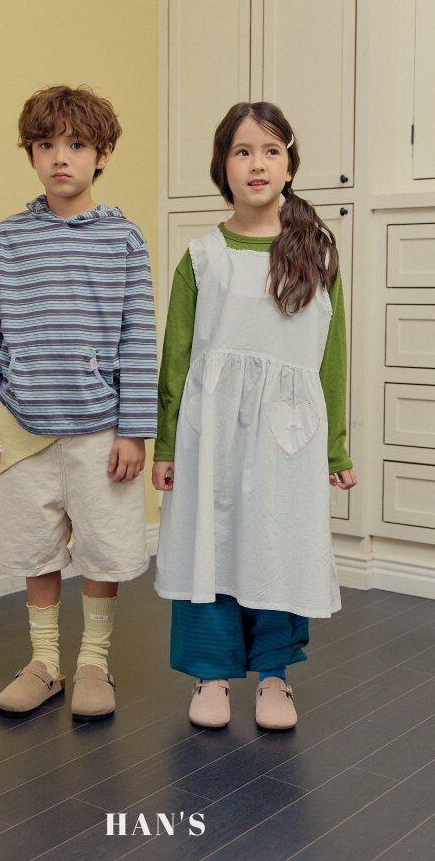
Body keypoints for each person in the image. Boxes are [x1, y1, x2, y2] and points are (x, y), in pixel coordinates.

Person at [152, 101, 358, 731]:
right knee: (209, 543)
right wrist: (166, 445)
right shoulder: (202, 256)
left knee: (278, 543)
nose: (257, 164)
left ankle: (274, 675)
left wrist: (336, 448)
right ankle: (211, 674)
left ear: (290, 165)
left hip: (287, 434)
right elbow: (176, 358)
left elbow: (331, 358)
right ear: (223, 166)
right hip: (211, 432)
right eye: (242, 151)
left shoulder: (318, 255)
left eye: (271, 151)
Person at [0, 84, 157, 721]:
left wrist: (135, 429)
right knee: (35, 546)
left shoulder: (124, 240)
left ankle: (94, 662)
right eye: (46, 145)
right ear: (31, 155)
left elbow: (138, 338)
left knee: (104, 547)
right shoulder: (7, 239)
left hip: (101, 429)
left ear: (103, 155)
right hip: (24, 427)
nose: (60, 158)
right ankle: (45, 662)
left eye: (76, 145)